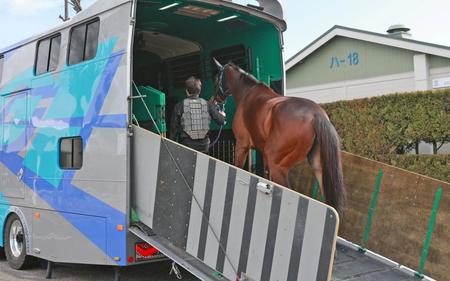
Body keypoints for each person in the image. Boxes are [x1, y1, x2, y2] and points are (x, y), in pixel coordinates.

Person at [170, 76, 226, 153]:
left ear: (187, 91)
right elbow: (222, 121)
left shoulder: (179, 106)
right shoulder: (207, 105)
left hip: (187, 146)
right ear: (199, 91)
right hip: (204, 147)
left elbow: (174, 130)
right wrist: (222, 114)